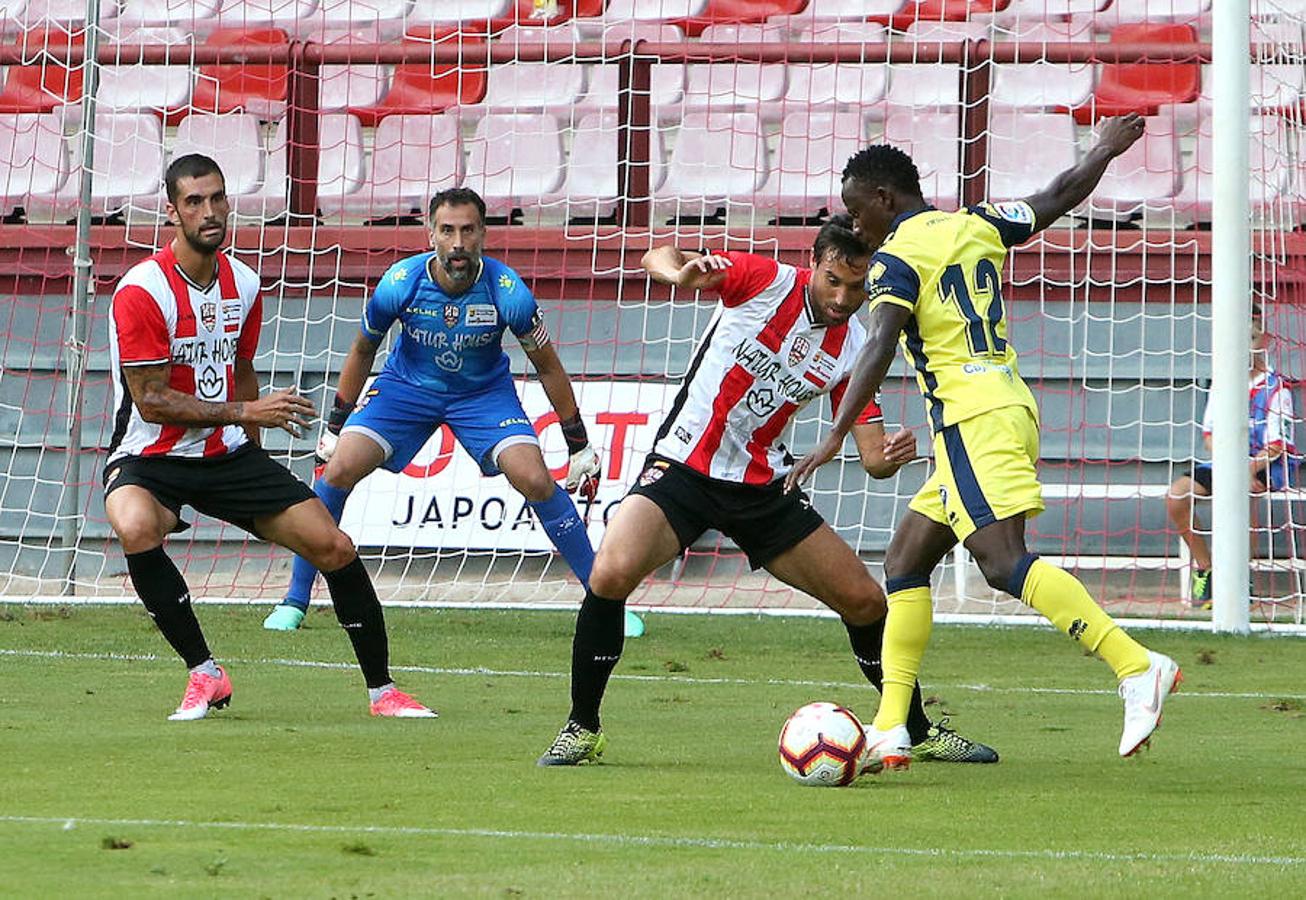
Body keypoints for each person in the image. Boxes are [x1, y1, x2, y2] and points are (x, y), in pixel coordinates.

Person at [787, 113, 1181, 765]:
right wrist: (1102, 150)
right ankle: (894, 724)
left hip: (972, 418)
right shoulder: (975, 222)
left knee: (1002, 565)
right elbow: (1057, 195)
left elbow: (881, 341)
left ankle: (1136, 666)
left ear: (885, 199)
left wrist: (834, 435)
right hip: (1001, 407)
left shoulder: (896, 259)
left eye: (858, 215)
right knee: (906, 562)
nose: (857, 230)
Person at [537, 216, 998, 766]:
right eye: (833, 281)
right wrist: (681, 273)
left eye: (857, 286)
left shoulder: (859, 344)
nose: (843, 297)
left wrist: (888, 457)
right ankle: (581, 727)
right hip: (684, 466)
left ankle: (917, 731)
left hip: (762, 487)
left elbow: (871, 455)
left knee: (866, 601)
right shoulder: (763, 280)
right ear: (816, 263)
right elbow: (657, 254)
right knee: (610, 573)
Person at [105, 154, 433, 720]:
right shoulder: (142, 291)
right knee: (136, 526)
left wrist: (256, 468)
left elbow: (243, 366)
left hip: (226, 453)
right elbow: (151, 401)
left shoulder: (246, 283)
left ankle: (384, 693)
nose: (209, 212)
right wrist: (247, 410)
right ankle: (203, 673)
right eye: (193, 202)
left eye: (217, 198)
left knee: (333, 545)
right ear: (171, 212)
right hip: (147, 455)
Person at [262, 187, 602, 631]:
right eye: (447, 230)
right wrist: (335, 427)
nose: (457, 243)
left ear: (483, 234)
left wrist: (577, 446)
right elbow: (363, 350)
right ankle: (295, 599)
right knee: (339, 467)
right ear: (430, 234)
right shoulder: (400, 283)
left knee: (535, 478)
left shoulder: (508, 292)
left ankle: (603, 597)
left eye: (467, 231)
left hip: (482, 395)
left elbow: (549, 368)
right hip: (406, 390)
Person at [1166, 304, 1297, 608]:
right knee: (1176, 496)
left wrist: (1246, 468)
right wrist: (1228, 463)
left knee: (1241, 491)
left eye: (1249, 338)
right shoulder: (1222, 383)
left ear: (1263, 341)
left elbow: (1276, 446)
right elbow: (1210, 435)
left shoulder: (1277, 388)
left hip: (1265, 464)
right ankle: (1206, 569)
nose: (1243, 346)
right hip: (1227, 461)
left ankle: (1241, 579)